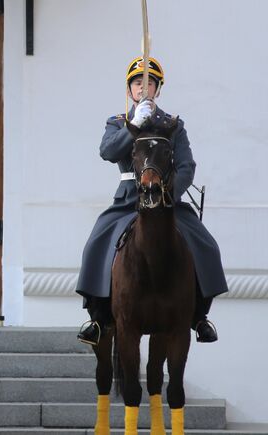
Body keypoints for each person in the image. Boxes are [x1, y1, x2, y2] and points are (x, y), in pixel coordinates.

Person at [75, 56, 227, 346]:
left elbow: (186, 166)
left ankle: (200, 316)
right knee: (97, 243)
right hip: (128, 201)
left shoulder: (171, 124)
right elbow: (107, 152)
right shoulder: (118, 122)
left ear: (158, 88)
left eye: (149, 83)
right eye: (137, 83)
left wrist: (170, 192)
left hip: (165, 198)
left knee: (205, 244)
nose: (143, 89)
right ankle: (97, 317)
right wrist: (133, 124)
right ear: (129, 89)